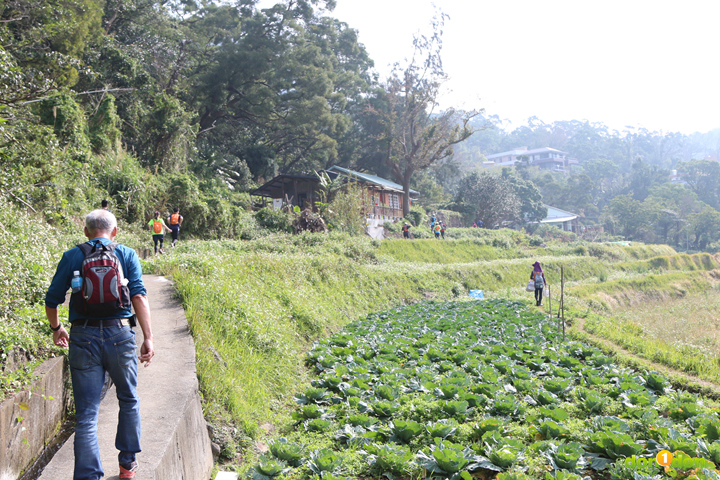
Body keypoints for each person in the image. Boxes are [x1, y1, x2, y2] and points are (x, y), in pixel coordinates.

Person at [45, 209, 154, 480]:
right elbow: (138, 296)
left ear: (86, 232)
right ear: (114, 231)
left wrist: (57, 328)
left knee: (86, 414)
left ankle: (87, 476)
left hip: (83, 337)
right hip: (120, 336)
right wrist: (148, 337)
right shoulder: (126, 254)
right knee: (128, 398)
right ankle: (127, 465)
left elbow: (52, 299)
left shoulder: (72, 256)